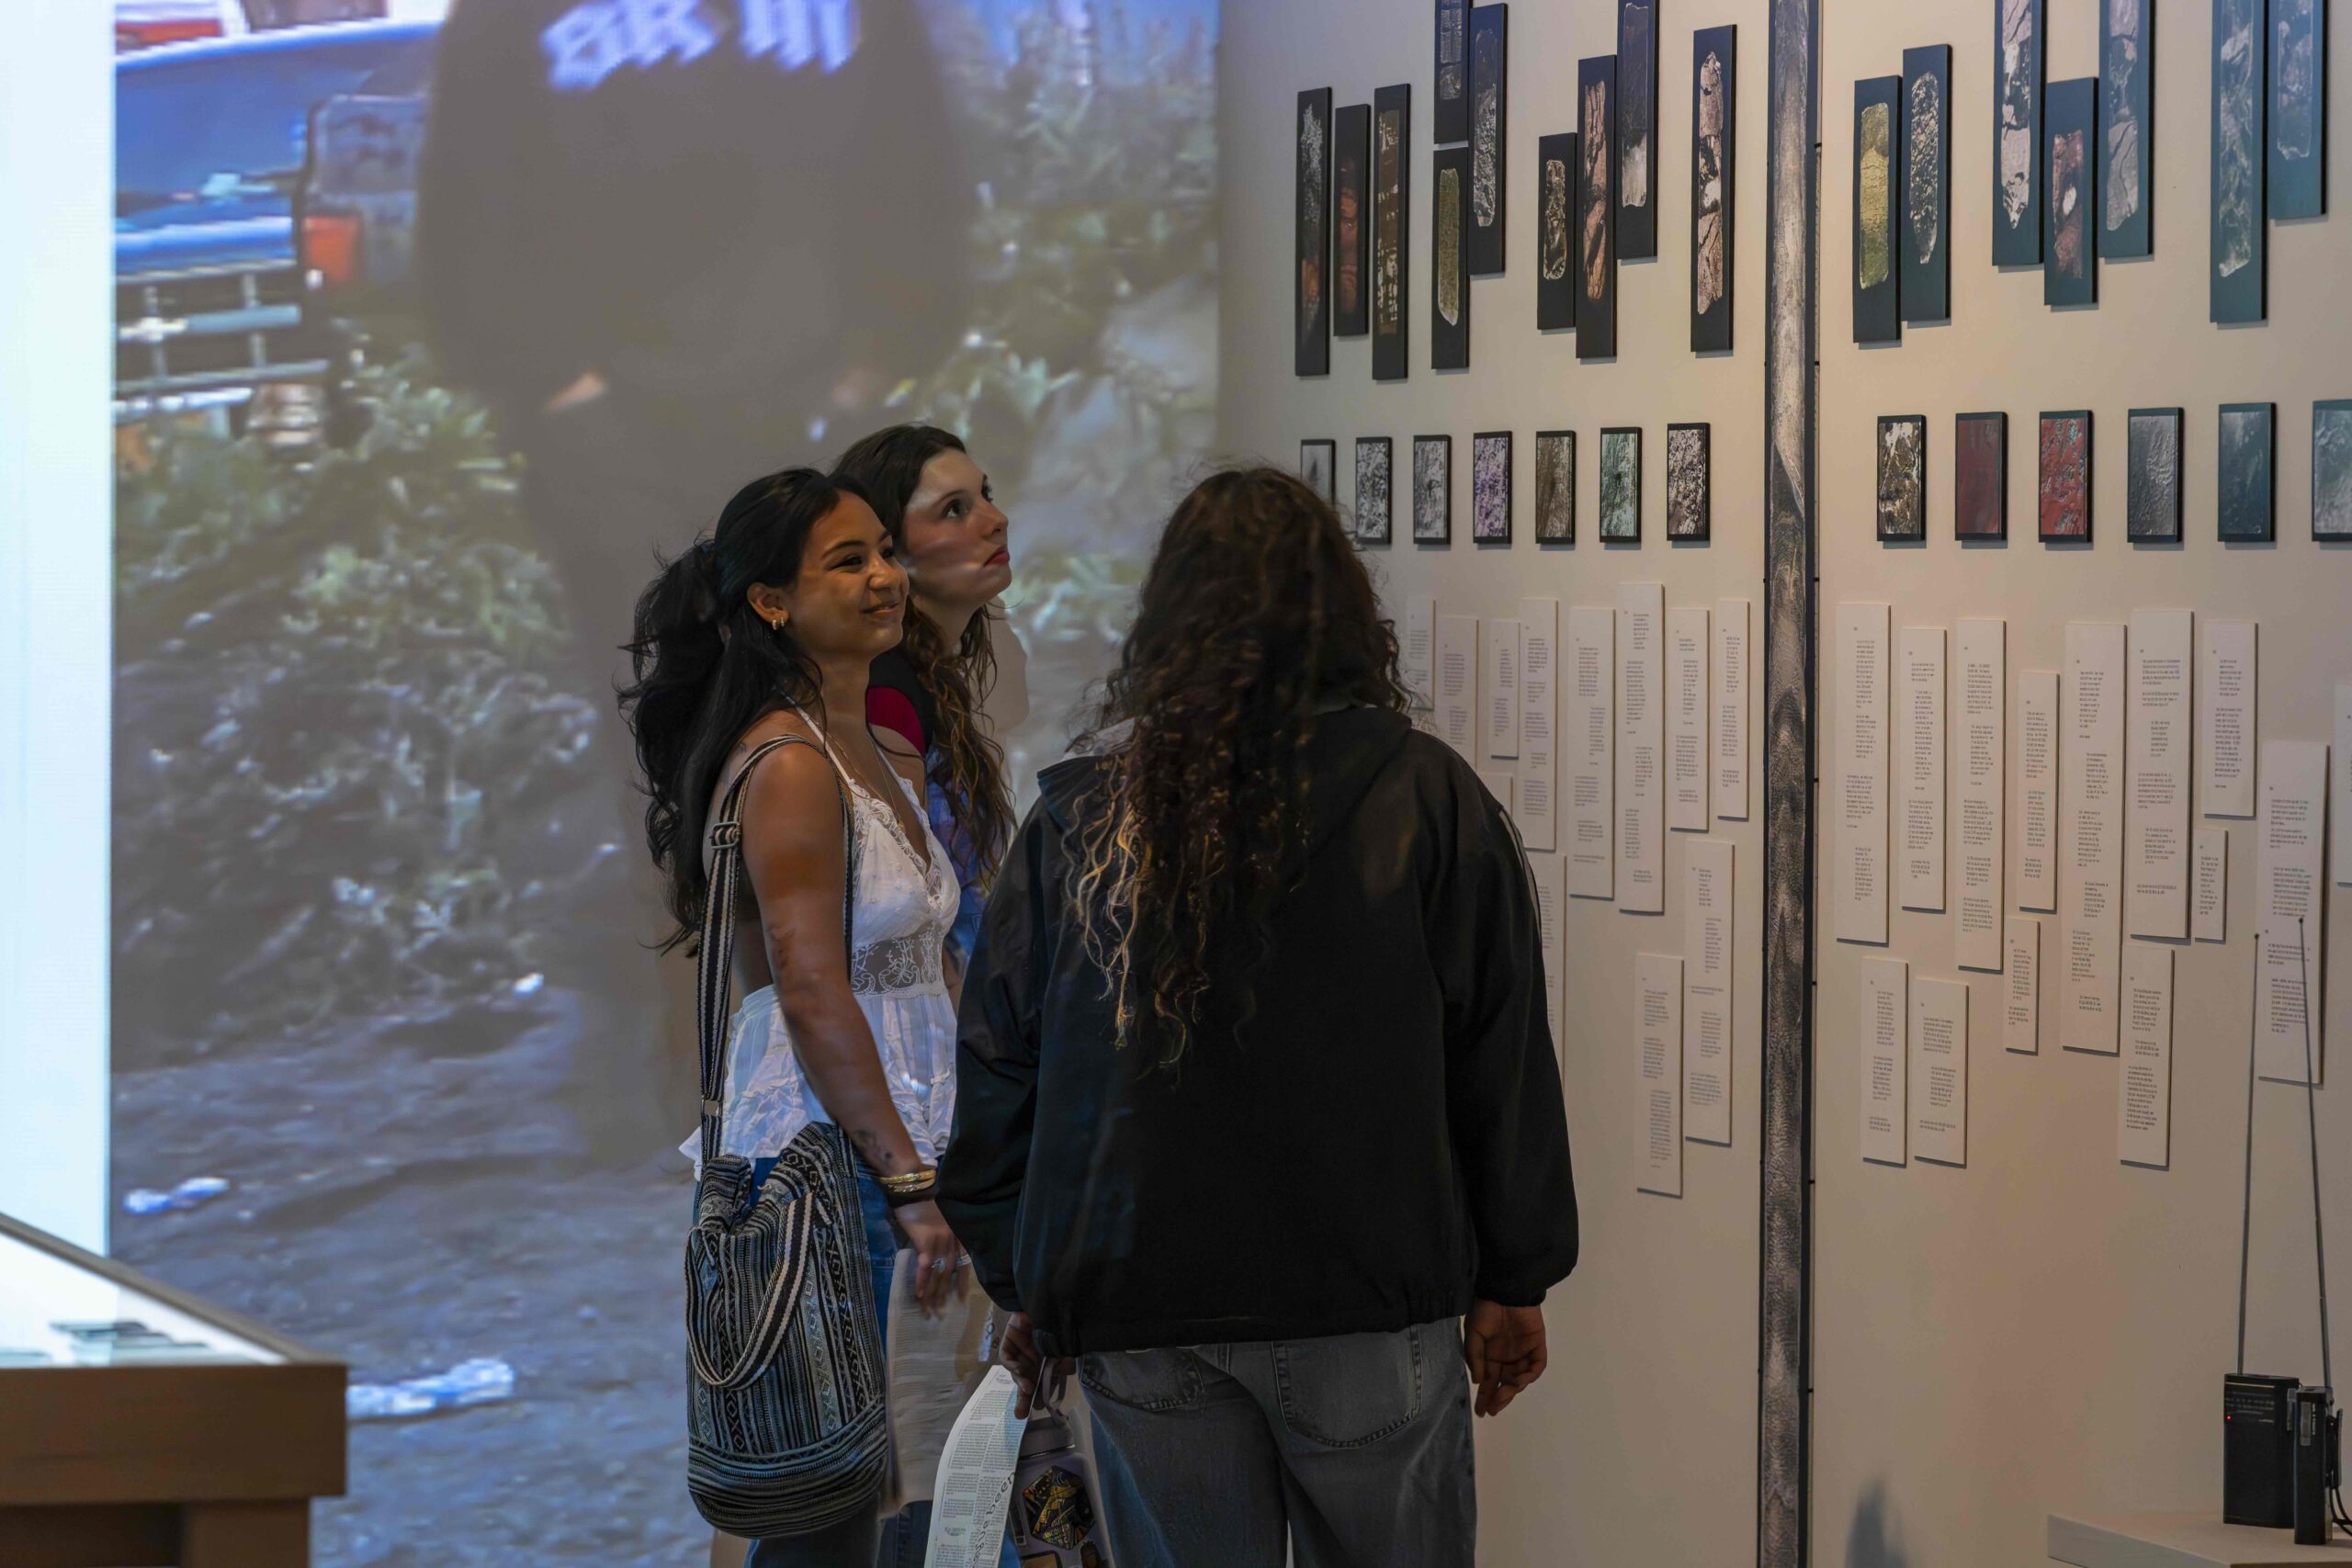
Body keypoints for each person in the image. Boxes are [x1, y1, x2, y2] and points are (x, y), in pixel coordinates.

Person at [937, 467, 1579, 1568]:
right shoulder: (1426, 798)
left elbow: (1001, 1063)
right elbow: (1500, 1053)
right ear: (1340, 611)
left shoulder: (1084, 820)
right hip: (1368, 1301)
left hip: (1142, 1306)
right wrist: (1513, 1278)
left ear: (1167, 620)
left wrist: (1028, 1275)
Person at [620, 467, 970, 1567]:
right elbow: (812, 989)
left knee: (920, 1484)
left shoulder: (878, 744)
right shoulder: (787, 762)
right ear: (771, 600)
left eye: (883, 552)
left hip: (912, 1137)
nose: (884, 577)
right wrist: (906, 1178)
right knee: (832, 1500)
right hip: (838, 1156)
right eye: (847, 560)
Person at [832, 424, 1018, 975]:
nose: (995, 520)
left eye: (986, 495)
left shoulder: (919, 680)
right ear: (889, 551)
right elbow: (907, 913)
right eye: (955, 510)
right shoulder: (885, 695)